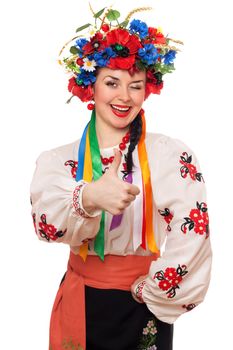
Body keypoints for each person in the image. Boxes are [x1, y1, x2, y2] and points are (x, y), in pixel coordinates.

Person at [30, 6, 212, 350]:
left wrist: (153, 289)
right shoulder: (60, 160)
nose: (124, 97)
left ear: (148, 90)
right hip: (81, 299)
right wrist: (88, 198)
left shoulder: (169, 157)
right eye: (112, 83)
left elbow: (194, 236)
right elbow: (45, 226)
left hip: (144, 305)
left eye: (136, 86)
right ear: (91, 88)